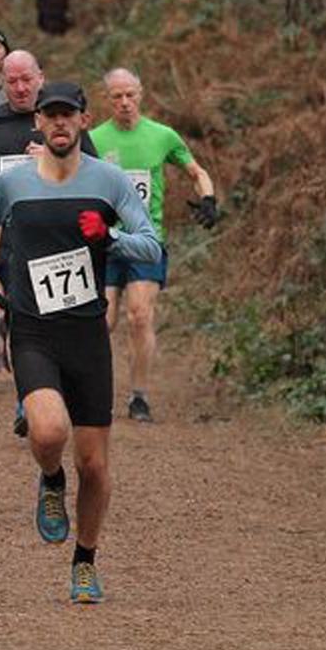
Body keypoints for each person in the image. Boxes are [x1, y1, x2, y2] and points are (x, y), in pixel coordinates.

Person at [0, 83, 162, 604]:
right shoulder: (14, 183)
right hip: (32, 329)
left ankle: (85, 560)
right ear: (39, 125)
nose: (59, 124)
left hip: (87, 334)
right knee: (49, 432)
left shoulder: (108, 180)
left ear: (82, 122)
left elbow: (152, 242)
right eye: (50, 116)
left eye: (68, 116)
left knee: (94, 465)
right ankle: (50, 479)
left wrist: (110, 239)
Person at [89, 68, 219, 422]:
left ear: (141, 94)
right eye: (117, 96)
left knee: (140, 315)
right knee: (103, 318)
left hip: (147, 240)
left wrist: (208, 198)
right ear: (107, 100)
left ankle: (139, 396)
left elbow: (196, 171)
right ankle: (91, 390)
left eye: (130, 94)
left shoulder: (162, 136)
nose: (125, 102)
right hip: (105, 241)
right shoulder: (94, 140)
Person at [0, 50, 99, 379]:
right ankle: (29, 392)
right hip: (8, 233)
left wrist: (56, 157)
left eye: (27, 79)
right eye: (11, 81)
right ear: (2, 84)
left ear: (41, 77)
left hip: (55, 229)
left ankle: (46, 381)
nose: (20, 88)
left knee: (50, 312)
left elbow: (96, 169)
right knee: (20, 311)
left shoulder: (61, 118)